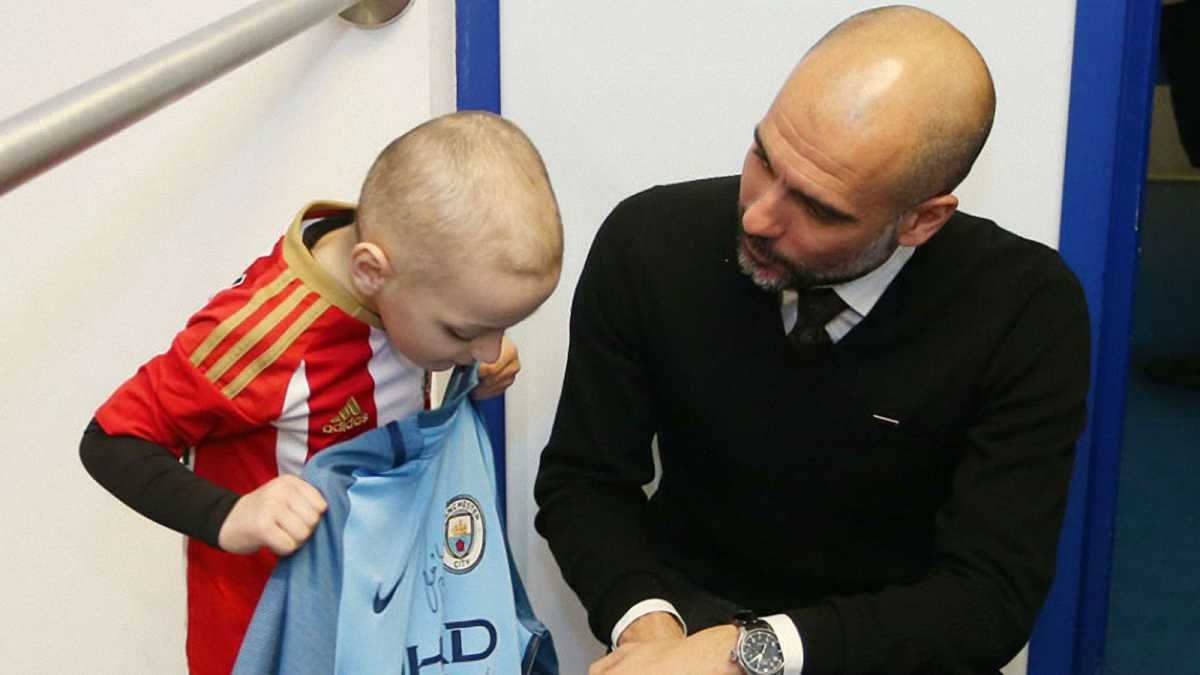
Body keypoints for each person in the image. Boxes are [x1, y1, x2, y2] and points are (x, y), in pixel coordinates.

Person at [534, 6, 1089, 675]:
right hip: (683, 624)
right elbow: (584, 483)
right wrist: (648, 624)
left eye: (819, 208)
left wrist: (747, 652)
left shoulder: (1026, 309)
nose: (759, 216)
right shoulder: (650, 243)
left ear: (921, 220)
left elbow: (988, 597)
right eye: (763, 157)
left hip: (890, 652)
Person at [79, 111, 563, 675]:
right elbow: (111, 439)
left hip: (384, 605)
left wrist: (469, 370)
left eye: (500, 329)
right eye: (465, 331)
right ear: (370, 271)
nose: (489, 348)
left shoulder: (414, 271)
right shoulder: (264, 334)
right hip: (270, 631)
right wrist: (231, 515)